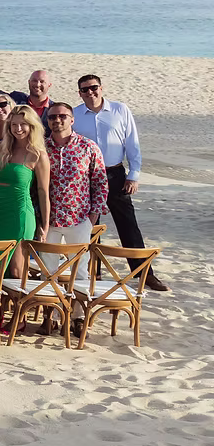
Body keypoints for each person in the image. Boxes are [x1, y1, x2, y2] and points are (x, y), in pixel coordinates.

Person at [73, 75, 167, 290]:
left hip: (115, 175)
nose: (90, 92)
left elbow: (132, 143)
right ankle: (92, 273)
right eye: (85, 90)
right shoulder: (75, 114)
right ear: (79, 93)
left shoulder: (120, 110)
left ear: (101, 88)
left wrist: (134, 174)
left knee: (128, 225)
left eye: (93, 87)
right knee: (89, 227)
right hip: (86, 177)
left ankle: (144, 273)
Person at [0, 105, 50, 283]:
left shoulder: (38, 154)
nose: (18, 129)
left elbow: (43, 192)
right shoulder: (0, 148)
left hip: (20, 214)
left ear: (32, 126)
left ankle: (17, 302)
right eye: (14, 125)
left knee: (17, 271)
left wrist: (45, 225)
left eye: (23, 124)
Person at [44, 100, 109, 284]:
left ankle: (78, 304)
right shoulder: (41, 148)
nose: (57, 120)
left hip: (79, 218)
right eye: (52, 117)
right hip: (48, 219)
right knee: (47, 271)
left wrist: (92, 216)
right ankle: (50, 303)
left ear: (72, 120)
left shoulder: (88, 147)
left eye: (62, 116)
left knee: (80, 271)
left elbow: (100, 183)